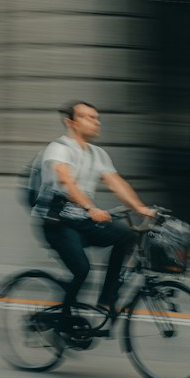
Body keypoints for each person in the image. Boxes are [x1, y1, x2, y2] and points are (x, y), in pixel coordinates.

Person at [35, 100, 155, 331]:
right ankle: (63, 321)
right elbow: (66, 181)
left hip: (82, 221)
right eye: (88, 117)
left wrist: (141, 209)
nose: (96, 122)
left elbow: (116, 183)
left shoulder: (97, 154)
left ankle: (107, 300)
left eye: (96, 117)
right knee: (82, 270)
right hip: (58, 223)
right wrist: (90, 208)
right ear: (70, 122)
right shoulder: (59, 148)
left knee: (127, 236)